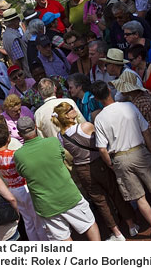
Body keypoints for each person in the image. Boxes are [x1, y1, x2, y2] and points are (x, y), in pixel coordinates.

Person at [51, 102, 137, 241]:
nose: (74, 109)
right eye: (71, 109)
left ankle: (117, 234)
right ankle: (131, 226)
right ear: (67, 115)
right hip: (99, 164)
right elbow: (102, 142)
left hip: (82, 170)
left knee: (101, 202)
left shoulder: (60, 136)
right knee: (116, 193)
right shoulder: (85, 126)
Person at [14, 117, 101, 241]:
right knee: (89, 224)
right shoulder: (53, 142)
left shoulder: (19, 155)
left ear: (19, 134)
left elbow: (22, 174)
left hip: (46, 205)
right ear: (35, 128)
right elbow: (61, 157)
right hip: (69, 195)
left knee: (62, 238)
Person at [91, 81, 151, 230]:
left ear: (97, 99)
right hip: (140, 152)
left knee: (139, 198)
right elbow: (145, 131)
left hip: (120, 159)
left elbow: (102, 149)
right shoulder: (129, 106)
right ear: (109, 91)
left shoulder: (99, 119)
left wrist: (111, 165)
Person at [0, 123, 48, 241]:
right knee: (37, 220)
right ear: (8, 138)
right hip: (24, 187)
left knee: (28, 221)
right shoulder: (14, 155)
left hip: (12, 188)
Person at [2, 8, 30, 76]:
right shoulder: (13, 38)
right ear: (14, 21)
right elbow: (18, 60)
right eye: (18, 19)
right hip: (27, 71)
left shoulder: (6, 35)